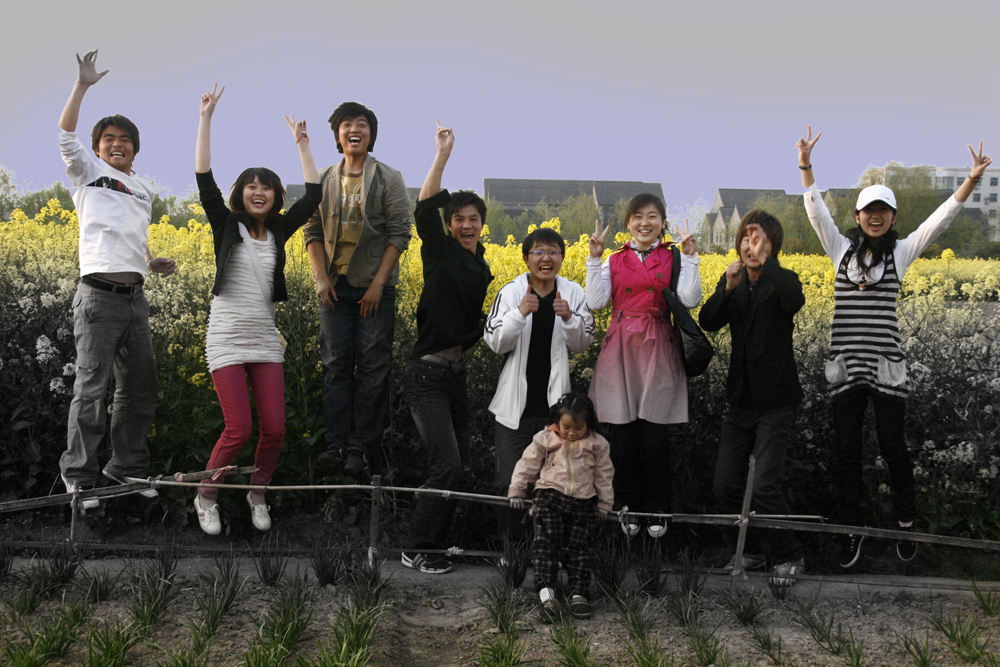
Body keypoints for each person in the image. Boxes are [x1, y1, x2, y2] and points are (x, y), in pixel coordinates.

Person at [797, 125, 992, 568]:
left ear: (892, 217)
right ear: (858, 215)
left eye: (883, 210)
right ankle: (852, 529)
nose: (876, 216)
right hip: (847, 367)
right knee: (847, 454)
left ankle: (906, 524)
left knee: (893, 449)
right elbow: (815, 211)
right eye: (870, 210)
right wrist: (806, 164)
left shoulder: (900, 253)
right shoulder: (840, 251)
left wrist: (970, 180)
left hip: (886, 367)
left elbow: (939, 220)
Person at [190, 84, 321, 535]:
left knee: (276, 429)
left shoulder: (279, 229)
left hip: (265, 338)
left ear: (275, 195)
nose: (259, 191)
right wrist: (206, 118)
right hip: (226, 336)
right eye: (251, 185)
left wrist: (303, 145)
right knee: (238, 429)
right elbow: (204, 177)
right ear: (240, 193)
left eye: (266, 186)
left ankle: (257, 492)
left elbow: (313, 195)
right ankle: (206, 494)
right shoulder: (226, 224)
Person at [57, 50, 176, 510]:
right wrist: (82, 85)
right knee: (92, 388)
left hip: (134, 298)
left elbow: (130, 233)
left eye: (125, 139)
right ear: (98, 147)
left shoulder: (143, 188)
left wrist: (149, 260)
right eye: (109, 139)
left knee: (139, 387)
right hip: (99, 297)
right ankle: (78, 477)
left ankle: (127, 466)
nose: (117, 144)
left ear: (136, 149)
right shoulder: (88, 173)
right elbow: (66, 135)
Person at [401, 120, 493, 575]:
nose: (466, 225)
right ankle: (416, 547)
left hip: (455, 376)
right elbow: (423, 209)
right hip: (427, 375)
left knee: (459, 465)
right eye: (459, 219)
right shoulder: (439, 251)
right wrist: (443, 155)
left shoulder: (483, 264)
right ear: (450, 225)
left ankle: (437, 541)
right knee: (446, 466)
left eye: (473, 219)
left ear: (482, 224)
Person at [303, 101, 411, 473]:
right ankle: (335, 445)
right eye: (347, 124)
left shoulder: (388, 177)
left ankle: (361, 448)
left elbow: (400, 234)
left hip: (374, 288)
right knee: (335, 366)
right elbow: (312, 231)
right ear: (337, 135)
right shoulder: (323, 178)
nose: (355, 129)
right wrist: (320, 277)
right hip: (334, 288)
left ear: (371, 133)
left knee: (373, 369)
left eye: (362, 124)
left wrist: (378, 285)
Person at [585, 196, 701, 538]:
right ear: (628, 223)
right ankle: (629, 508)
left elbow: (690, 299)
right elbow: (595, 302)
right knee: (623, 440)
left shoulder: (673, 256)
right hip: (621, 348)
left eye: (652, 216)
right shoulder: (614, 259)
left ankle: (657, 510)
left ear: (663, 223)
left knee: (655, 439)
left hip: (658, 345)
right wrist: (594, 259)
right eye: (638, 216)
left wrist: (691, 258)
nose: (645, 223)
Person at [699, 210, 805, 579]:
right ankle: (750, 552)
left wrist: (767, 264)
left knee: (763, 487)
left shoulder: (784, 281)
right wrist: (726, 289)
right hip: (740, 399)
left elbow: (794, 301)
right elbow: (708, 321)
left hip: (776, 401)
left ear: (773, 246)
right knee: (725, 485)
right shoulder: (734, 279)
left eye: (760, 239)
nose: (751, 245)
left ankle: (790, 555)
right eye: (746, 238)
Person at [484, 228, 595, 539]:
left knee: (556, 484)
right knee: (510, 483)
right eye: (539, 251)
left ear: (562, 257)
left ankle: (547, 550)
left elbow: (584, 343)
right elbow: (495, 342)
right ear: (525, 258)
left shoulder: (573, 293)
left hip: (555, 414)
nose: (546, 258)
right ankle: (511, 552)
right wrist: (519, 314)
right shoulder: (511, 292)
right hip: (514, 410)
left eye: (553, 251)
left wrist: (569, 318)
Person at [508, 393, 613, 622]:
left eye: (579, 428)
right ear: (557, 422)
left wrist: (605, 502)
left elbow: (604, 474)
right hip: (549, 497)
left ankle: (579, 595)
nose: (572, 433)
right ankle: (548, 597)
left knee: (580, 549)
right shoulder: (545, 438)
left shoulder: (598, 444)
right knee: (546, 546)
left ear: (589, 424)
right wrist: (517, 489)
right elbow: (527, 463)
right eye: (566, 427)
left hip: (583, 501)